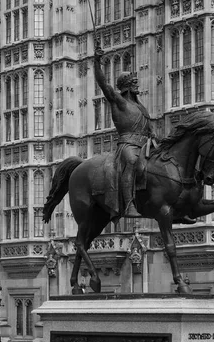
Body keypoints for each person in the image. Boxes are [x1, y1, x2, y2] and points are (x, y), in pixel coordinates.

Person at [93, 44, 152, 218]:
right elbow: (103, 84)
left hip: (146, 143)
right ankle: (129, 205)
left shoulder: (140, 106)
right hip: (128, 144)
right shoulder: (118, 101)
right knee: (132, 162)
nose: (137, 85)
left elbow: (149, 126)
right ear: (126, 85)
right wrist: (97, 61)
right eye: (133, 83)